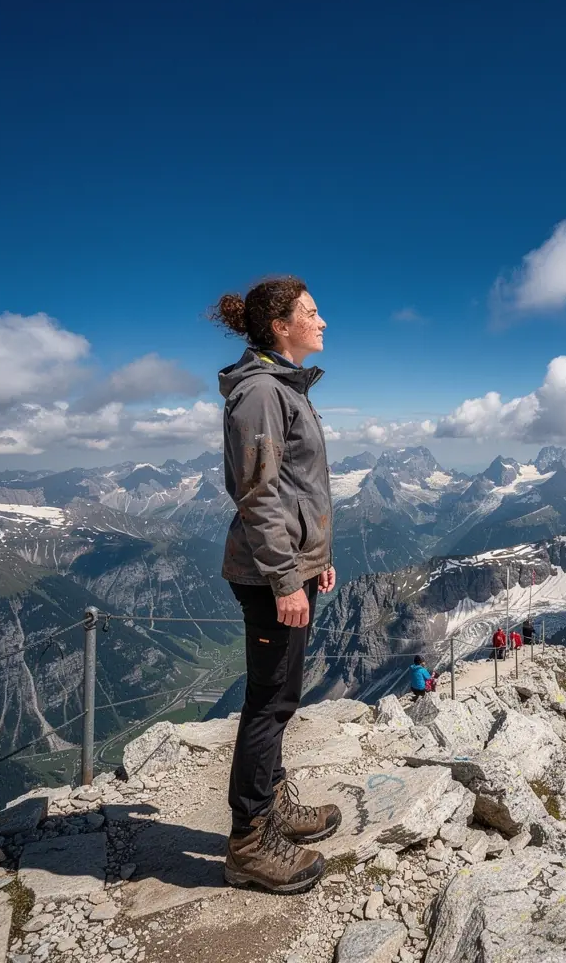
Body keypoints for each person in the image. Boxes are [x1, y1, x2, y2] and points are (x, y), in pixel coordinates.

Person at [212, 276, 342, 894]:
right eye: (311, 313)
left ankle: (272, 809)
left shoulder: (281, 387)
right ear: (280, 327)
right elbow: (258, 495)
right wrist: (288, 576)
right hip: (270, 577)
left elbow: (296, 488)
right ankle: (249, 842)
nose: (322, 321)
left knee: (279, 695)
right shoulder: (263, 392)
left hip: (288, 568)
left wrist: (315, 558)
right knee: (270, 701)